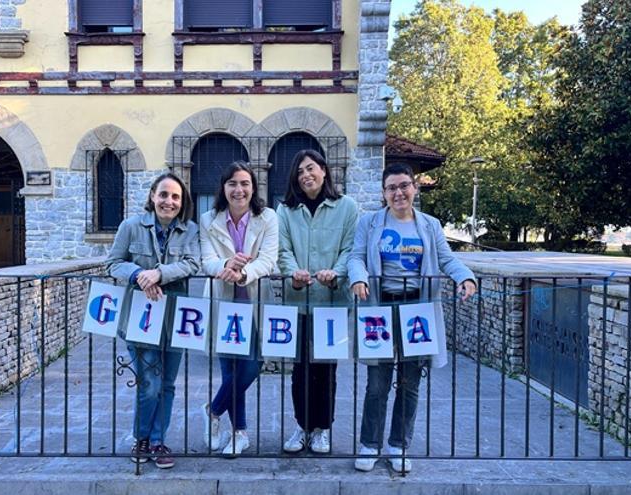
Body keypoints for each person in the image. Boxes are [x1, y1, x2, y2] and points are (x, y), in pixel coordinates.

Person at [347, 163, 476, 473]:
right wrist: (358, 278)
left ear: (415, 188)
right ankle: (370, 444)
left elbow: (446, 259)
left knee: (410, 382)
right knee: (377, 382)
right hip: (379, 307)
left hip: (417, 311)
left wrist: (466, 277)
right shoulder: (370, 222)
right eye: (391, 187)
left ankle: (398, 445)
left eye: (404, 185)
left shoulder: (430, 225)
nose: (398, 192)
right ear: (384, 193)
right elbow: (356, 256)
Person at [106, 172, 201, 469]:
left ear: (182, 202)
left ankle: (158, 441)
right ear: (152, 196)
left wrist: (159, 273)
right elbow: (113, 263)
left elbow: (193, 263)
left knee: (168, 383)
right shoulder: (130, 227)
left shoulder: (191, 230)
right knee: (150, 382)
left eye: (175, 197)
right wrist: (138, 275)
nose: (169, 202)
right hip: (140, 318)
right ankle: (142, 438)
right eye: (163, 195)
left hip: (175, 318)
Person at [277, 149, 358, 454]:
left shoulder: (347, 207)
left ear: (324, 170)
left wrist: (336, 272)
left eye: (310, 168)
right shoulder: (285, 210)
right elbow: (283, 250)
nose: (306, 175)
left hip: (332, 303)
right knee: (299, 369)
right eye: (299, 172)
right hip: (297, 301)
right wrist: (291, 274)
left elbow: (351, 248)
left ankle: (322, 428)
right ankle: (302, 425)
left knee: (325, 370)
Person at [199, 161, 279, 456]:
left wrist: (243, 272)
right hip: (223, 300)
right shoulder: (209, 219)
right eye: (232, 183)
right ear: (223, 187)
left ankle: (213, 409)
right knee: (230, 370)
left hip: (255, 299)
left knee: (254, 363)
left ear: (253, 187)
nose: (239, 189)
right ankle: (239, 433)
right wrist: (225, 265)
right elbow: (206, 259)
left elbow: (269, 259)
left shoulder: (268, 217)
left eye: (245, 183)